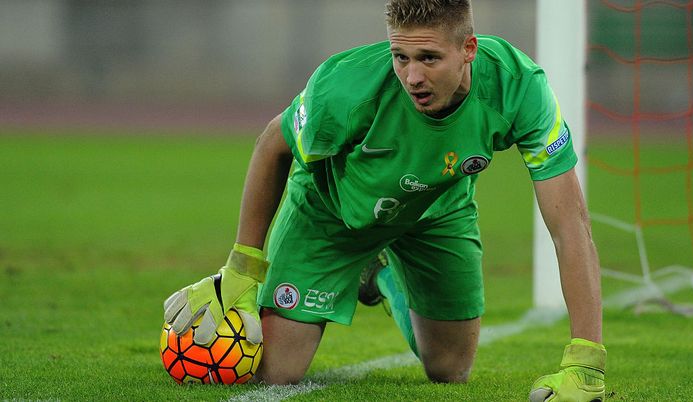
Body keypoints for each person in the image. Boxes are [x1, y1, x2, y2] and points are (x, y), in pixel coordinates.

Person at [163, 0, 606, 400]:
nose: (413, 76)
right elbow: (270, 145)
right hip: (329, 213)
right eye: (401, 57)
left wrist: (586, 361)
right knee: (274, 373)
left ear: (469, 49)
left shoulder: (519, 88)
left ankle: (380, 278)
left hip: (436, 210)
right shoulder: (344, 88)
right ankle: (363, 265)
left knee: (450, 370)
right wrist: (243, 266)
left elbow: (570, 225)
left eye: (429, 58)